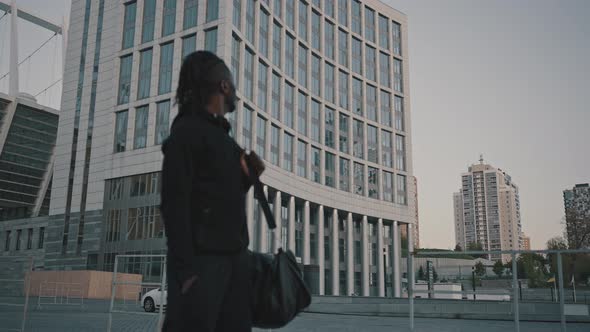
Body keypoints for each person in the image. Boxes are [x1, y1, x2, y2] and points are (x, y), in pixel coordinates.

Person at [160, 51, 264, 332]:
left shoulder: (225, 141)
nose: (236, 92)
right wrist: (186, 273)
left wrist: (247, 178)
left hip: (234, 267)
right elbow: (174, 205)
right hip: (203, 269)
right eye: (233, 83)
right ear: (224, 86)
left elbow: (218, 199)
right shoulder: (185, 134)